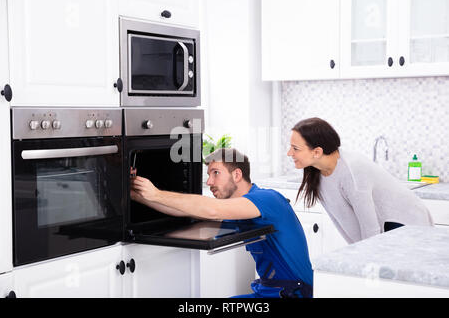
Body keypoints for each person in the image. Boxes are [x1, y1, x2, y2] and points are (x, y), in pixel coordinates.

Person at [130, 148, 313, 298]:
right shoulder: (236, 209)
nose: (209, 181)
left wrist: (156, 194)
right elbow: (184, 210)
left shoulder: (267, 198)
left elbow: (212, 209)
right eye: (209, 174)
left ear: (237, 174)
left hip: (294, 294)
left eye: (215, 173)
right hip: (270, 291)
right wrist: (138, 195)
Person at [287, 117, 434, 244]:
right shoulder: (316, 173)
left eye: (295, 148)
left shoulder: (352, 172)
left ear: (317, 152)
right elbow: (344, 223)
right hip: (383, 230)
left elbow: (370, 228)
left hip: (406, 223)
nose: (289, 153)